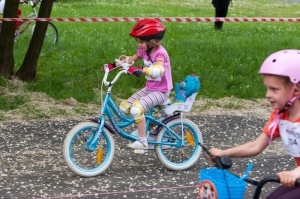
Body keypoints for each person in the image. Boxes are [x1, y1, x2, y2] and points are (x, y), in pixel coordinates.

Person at [209, 49, 300, 198]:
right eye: (267, 88)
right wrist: (224, 152)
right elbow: (256, 146)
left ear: (295, 90)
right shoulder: (280, 117)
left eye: (274, 89)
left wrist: (294, 173)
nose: (267, 95)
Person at [105, 18, 173, 150]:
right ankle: (147, 124)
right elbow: (130, 60)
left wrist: (142, 70)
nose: (139, 45)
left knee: (137, 108)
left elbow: (159, 68)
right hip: (150, 88)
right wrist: (113, 65)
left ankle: (142, 141)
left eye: (141, 41)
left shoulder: (160, 53)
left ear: (152, 41)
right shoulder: (143, 50)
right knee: (125, 107)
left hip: (162, 91)